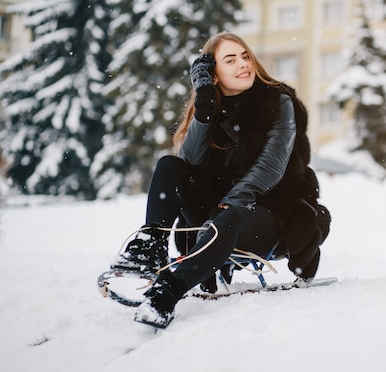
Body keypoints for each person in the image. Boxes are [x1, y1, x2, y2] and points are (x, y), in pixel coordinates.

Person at [110, 32, 331, 328]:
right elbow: (189, 164)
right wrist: (205, 107)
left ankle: (168, 292)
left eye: (245, 56)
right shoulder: (211, 105)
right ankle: (152, 245)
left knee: (231, 216)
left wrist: (227, 206)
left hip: (270, 212)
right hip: (217, 213)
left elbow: (271, 166)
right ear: (214, 75)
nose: (243, 64)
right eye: (230, 60)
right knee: (169, 166)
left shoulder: (278, 102)